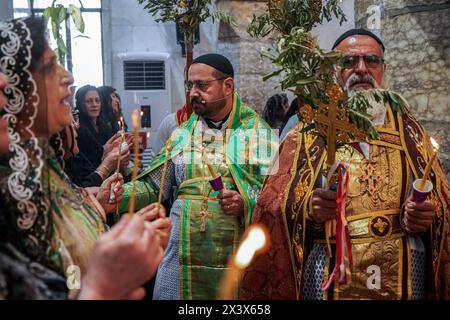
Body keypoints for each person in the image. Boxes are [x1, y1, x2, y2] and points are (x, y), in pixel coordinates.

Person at [240, 29, 450, 300]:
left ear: (383, 69)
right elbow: (270, 205)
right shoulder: (306, 133)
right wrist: (308, 208)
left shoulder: (411, 133)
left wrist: (427, 216)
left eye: (371, 60)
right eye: (349, 61)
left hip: (403, 274)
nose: (361, 69)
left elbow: (441, 203)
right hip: (327, 272)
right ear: (333, 71)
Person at [0, 17, 170, 300]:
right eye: (49, 67)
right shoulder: (12, 188)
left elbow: (70, 257)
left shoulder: (46, 171)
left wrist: (115, 230)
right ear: (18, 88)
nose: (67, 77)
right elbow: (63, 280)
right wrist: (102, 286)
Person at [118, 53, 279, 300]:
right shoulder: (181, 134)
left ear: (228, 86)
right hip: (182, 258)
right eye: (189, 85)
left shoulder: (259, 133)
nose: (193, 93)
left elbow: (276, 197)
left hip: (237, 255)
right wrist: (119, 194)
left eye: (202, 85)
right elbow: (154, 188)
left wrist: (244, 201)